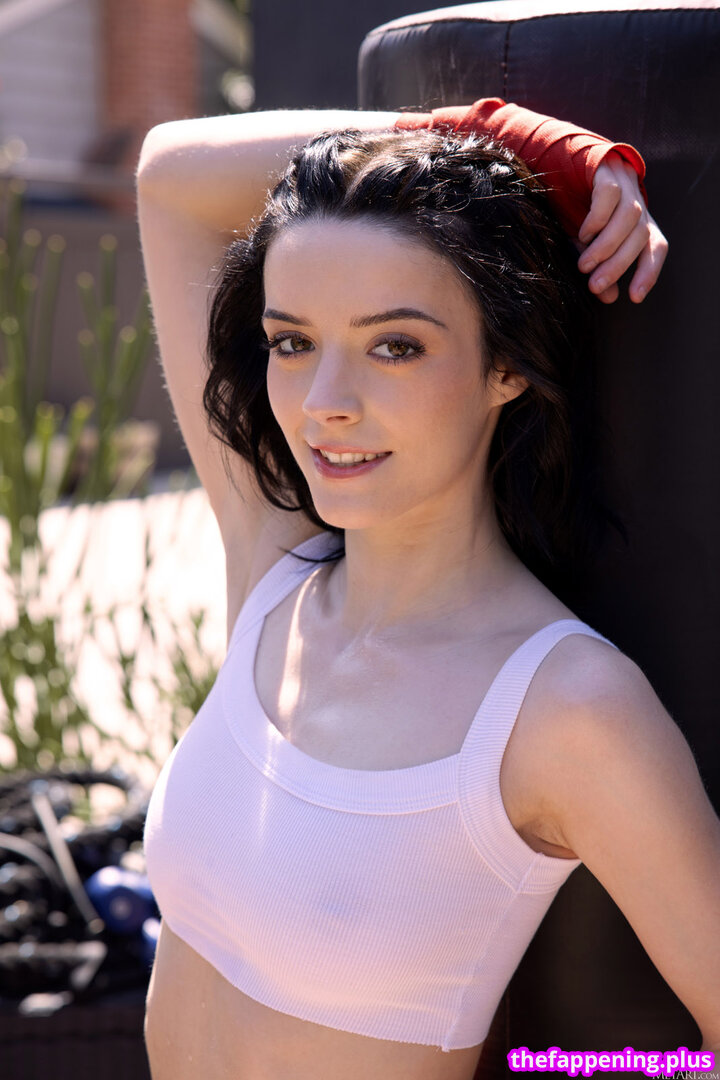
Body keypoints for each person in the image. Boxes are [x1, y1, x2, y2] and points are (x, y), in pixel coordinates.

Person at [135, 105, 720, 1080]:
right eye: (292, 341)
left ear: (505, 365)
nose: (325, 403)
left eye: (394, 345)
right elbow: (168, 179)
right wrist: (506, 138)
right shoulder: (275, 574)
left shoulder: (563, 709)